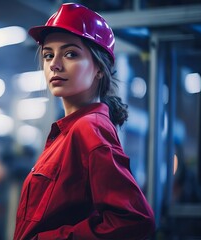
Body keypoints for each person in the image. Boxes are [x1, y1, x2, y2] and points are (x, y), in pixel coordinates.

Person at [13, 3, 155, 239]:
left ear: (99, 67)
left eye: (70, 54)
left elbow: (135, 219)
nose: (54, 64)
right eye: (48, 55)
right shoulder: (66, 132)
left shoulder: (89, 127)